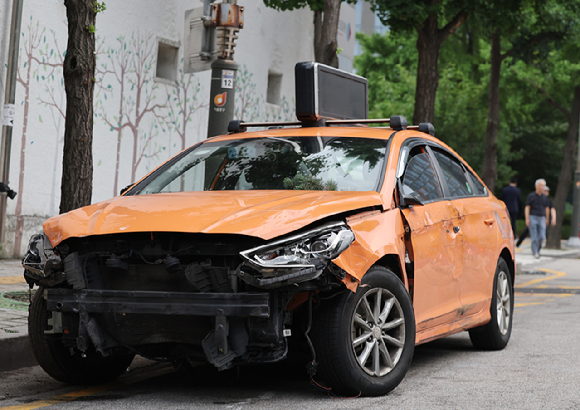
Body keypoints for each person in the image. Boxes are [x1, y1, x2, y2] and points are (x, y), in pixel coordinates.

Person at [524, 179, 550, 259]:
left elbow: (547, 208)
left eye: (543, 185)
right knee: (534, 236)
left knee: (542, 236)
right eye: (540, 185)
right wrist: (527, 218)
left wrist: (547, 218)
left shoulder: (545, 197)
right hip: (533, 217)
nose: (542, 187)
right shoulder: (531, 196)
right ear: (536, 186)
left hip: (542, 217)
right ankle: (534, 252)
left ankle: (538, 250)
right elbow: (527, 207)